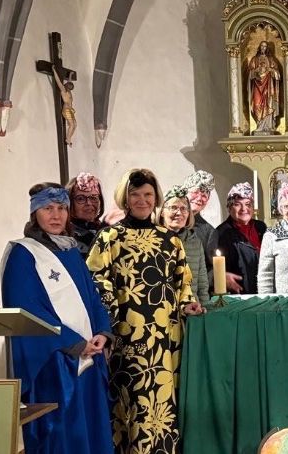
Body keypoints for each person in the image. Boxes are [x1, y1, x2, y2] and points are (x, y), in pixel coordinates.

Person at [86, 168, 205, 454]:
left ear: (156, 199)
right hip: (127, 335)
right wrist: (111, 321)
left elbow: (182, 280)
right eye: (135, 194)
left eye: (148, 195)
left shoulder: (170, 240)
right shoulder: (109, 238)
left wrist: (188, 302)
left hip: (165, 339)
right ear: (125, 198)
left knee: (163, 402)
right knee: (131, 403)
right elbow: (96, 279)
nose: (142, 200)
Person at [2, 183, 113, 454]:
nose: (56, 215)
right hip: (54, 363)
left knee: (91, 432)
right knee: (64, 436)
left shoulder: (70, 251)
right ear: (34, 213)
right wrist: (74, 342)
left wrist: (102, 331)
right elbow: (28, 312)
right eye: (48, 208)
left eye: (62, 208)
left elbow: (92, 299)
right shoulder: (23, 254)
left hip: (88, 358)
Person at [208, 182, 267, 295]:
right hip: (238, 293)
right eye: (237, 204)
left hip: (263, 289)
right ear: (229, 208)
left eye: (248, 204)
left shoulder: (261, 227)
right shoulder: (220, 233)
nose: (244, 209)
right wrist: (221, 277)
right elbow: (212, 266)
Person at [159, 185, 209, 303]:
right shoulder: (154, 240)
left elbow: (202, 284)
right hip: (163, 309)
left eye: (184, 208)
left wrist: (204, 306)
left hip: (192, 308)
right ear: (162, 212)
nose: (179, 213)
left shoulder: (195, 242)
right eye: (173, 207)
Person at [258, 183, 288, 294]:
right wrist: (266, 301)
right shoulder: (271, 235)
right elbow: (265, 274)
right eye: (286, 206)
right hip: (283, 300)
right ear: (281, 209)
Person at [66, 172, 105, 258]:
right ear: (69, 202)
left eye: (93, 197)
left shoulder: (105, 230)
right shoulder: (65, 236)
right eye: (80, 198)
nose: (89, 203)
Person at [248, 40, 282, 133]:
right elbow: (250, 75)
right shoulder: (254, 59)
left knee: (268, 103)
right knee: (257, 104)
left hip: (268, 86)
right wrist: (256, 71)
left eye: (265, 46)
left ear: (267, 48)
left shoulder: (271, 60)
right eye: (262, 46)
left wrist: (271, 70)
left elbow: (278, 75)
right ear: (259, 47)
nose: (263, 48)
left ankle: (268, 125)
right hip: (257, 86)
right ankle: (259, 124)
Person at [182, 170, 217, 251]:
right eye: (195, 192)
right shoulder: (169, 221)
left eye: (204, 195)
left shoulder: (209, 232)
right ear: (185, 192)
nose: (199, 198)